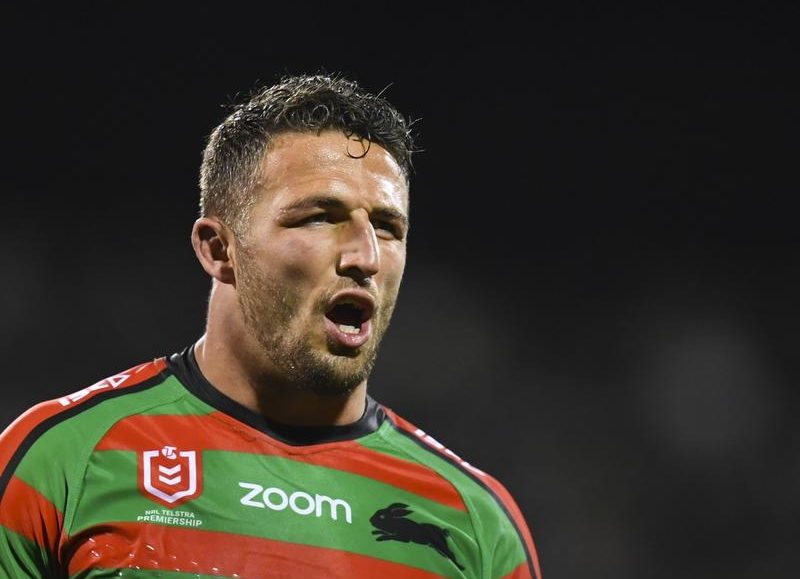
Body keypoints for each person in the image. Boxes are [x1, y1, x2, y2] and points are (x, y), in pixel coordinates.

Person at [0, 73, 542, 578]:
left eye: (386, 226)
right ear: (219, 250)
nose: (366, 256)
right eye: (319, 217)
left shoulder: (475, 524)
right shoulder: (61, 462)